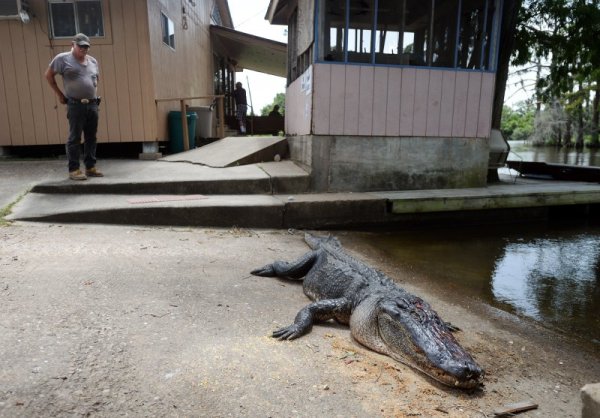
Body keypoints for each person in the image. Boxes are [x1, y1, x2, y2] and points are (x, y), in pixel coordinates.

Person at [45, 33, 103, 181]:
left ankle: (90, 167)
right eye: (81, 46)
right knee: (75, 138)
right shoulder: (62, 59)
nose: (84, 49)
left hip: (92, 104)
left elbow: (95, 79)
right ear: (73, 44)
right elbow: (49, 75)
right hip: (75, 104)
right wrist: (60, 94)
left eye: (86, 47)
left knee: (91, 137)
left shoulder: (93, 61)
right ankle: (74, 169)